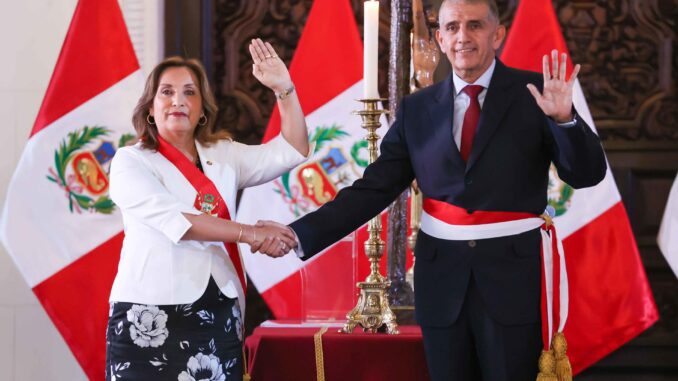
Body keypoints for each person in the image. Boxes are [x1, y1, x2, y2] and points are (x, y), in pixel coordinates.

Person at [256, 0, 607, 380]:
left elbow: (587, 175)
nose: (463, 37)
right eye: (452, 27)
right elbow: (373, 189)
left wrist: (565, 120)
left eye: (475, 26)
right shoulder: (415, 109)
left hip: (512, 279)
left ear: (497, 34)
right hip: (442, 282)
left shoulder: (538, 95)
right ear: (439, 38)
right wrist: (299, 233)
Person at [105, 39, 307, 381]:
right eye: (166, 92)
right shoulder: (131, 161)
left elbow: (292, 148)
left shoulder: (223, 154)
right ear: (150, 109)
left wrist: (284, 88)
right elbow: (180, 223)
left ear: (202, 110)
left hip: (218, 308)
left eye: (189, 92)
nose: (178, 101)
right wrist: (251, 234)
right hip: (147, 314)